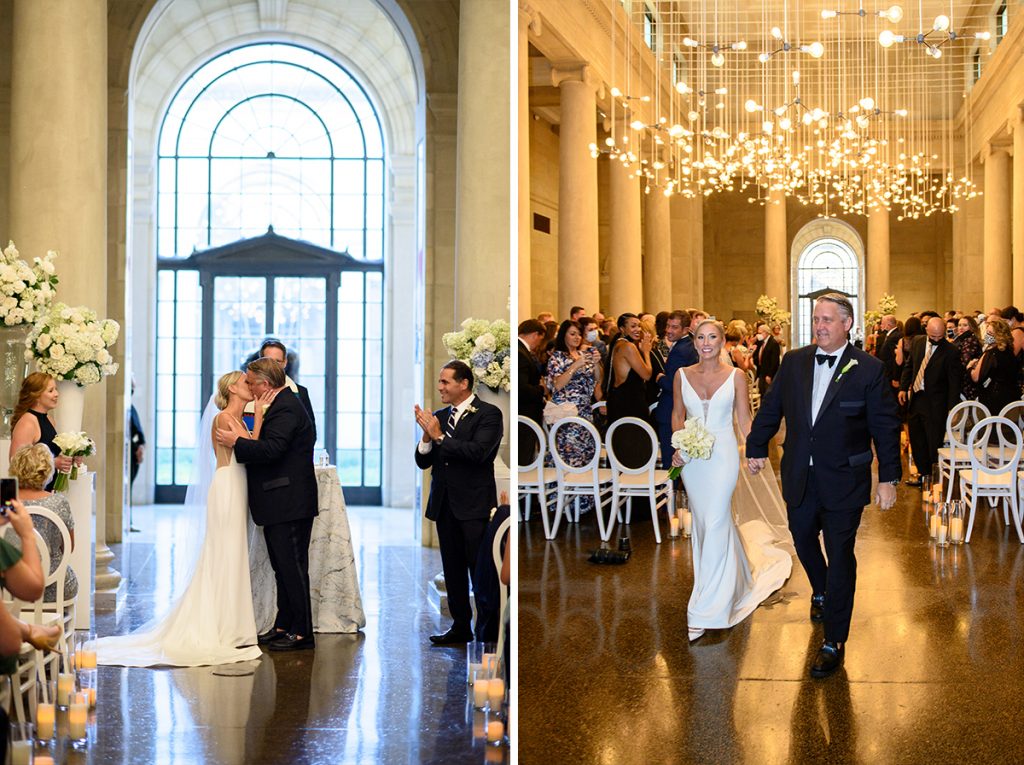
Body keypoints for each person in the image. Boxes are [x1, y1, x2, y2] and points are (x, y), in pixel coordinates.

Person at [747, 293, 901, 678]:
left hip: (845, 478)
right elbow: (772, 407)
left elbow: (885, 426)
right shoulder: (794, 361)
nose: (820, 326)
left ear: (847, 324)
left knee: (841, 554)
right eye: (816, 319)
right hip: (800, 472)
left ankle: (834, 639)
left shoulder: (869, 369)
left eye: (828, 319)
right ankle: (820, 588)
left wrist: (888, 478)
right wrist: (756, 446)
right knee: (801, 539)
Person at [97, 371, 269, 666]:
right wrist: (262, 416)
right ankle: (220, 625)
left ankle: (232, 624)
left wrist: (258, 417)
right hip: (227, 487)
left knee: (234, 554)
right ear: (232, 388)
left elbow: (252, 445)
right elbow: (249, 450)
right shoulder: (224, 418)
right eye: (245, 383)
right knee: (224, 553)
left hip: (238, 488)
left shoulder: (240, 420)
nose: (250, 386)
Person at [671, 319, 792, 644]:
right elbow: (678, 415)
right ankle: (731, 581)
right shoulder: (681, 375)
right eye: (700, 337)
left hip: (723, 456)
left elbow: (744, 419)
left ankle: (707, 607)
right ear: (694, 342)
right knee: (705, 524)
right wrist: (678, 445)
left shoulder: (736, 376)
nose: (706, 343)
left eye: (712, 337)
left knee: (715, 520)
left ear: (722, 341)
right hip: (693, 461)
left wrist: (754, 451)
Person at [218, 359, 319, 652]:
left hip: (288, 500)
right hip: (280, 500)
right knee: (281, 568)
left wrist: (236, 441)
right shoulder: (278, 404)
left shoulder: (286, 407)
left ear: (264, 383)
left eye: (251, 382)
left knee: (293, 568)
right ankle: (283, 624)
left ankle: (302, 633)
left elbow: (272, 450)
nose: (249, 387)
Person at [415, 360, 502, 645]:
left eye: (445, 382)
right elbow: (423, 461)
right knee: (452, 571)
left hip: (474, 505)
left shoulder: (489, 414)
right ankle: (460, 627)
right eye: (440, 381)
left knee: (480, 570)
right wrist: (426, 437)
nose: (440, 387)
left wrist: (439, 436)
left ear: (463, 384)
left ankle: (488, 632)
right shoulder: (440, 416)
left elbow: (478, 453)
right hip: (445, 505)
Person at [5, 444, 78, 603]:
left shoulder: (7, 501)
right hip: (56, 585)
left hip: (12, 587)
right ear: (47, 470)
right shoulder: (59, 502)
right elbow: (68, 547)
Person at [898, 317, 962, 486]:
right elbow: (909, 366)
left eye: (940, 336)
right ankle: (923, 474)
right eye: (933, 336)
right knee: (917, 438)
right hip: (917, 398)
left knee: (933, 440)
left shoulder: (951, 351)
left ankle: (933, 479)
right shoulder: (918, 342)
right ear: (926, 330)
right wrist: (903, 388)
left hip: (936, 403)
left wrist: (952, 408)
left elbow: (955, 382)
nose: (936, 340)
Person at [546, 320, 601, 479]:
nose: (577, 337)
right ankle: (564, 489)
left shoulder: (583, 354)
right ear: (564, 335)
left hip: (584, 410)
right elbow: (557, 385)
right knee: (569, 452)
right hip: (566, 412)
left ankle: (584, 491)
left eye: (579, 334)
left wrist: (597, 364)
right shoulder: (557, 357)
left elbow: (598, 380)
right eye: (572, 334)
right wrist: (575, 366)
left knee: (587, 452)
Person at [9, 372, 74, 489]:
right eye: (51, 391)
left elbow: (52, 453)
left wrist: (71, 458)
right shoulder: (27, 423)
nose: (57, 394)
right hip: (31, 492)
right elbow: (16, 462)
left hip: (47, 490)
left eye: (56, 389)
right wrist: (53, 463)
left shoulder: (50, 420)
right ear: (36, 396)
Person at [246, 339, 316, 439]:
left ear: (285, 363)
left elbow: (309, 433)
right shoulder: (248, 391)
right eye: (268, 361)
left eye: (277, 361)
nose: (273, 366)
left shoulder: (300, 393)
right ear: (260, 361)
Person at [655, 310, 695, 469]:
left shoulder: (680, 350)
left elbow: (674, 384)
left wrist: (660, 378)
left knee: (671, 459)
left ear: (685, 329)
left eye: (674, 327)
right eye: (668, 326)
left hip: (671, 409)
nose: (669, 331)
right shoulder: (688, 345)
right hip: (680, 408)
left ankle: (672, 484)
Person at [605, 313, 653, 426]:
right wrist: (646, 352)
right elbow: (647, 375)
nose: (638, 329)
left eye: (639, 326)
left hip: (620, 400)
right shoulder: (628, 346)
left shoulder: (618, 344)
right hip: (629, 403)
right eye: (633, 326)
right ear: (622, 329)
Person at [969, 317, 1019, 416]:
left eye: (990, 333)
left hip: (993, 400)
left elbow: (976, 377)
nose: (986, 335)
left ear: (999, 336)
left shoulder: (990, 354)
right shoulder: (1010, 352)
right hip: (1011, 400)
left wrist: (969, 368)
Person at [517, 319, 547, 466]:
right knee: (524, 456)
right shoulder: (520, 353)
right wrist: (541, 389)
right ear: (536, 335)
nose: (539, 344)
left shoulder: (520, 350)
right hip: (525, 413)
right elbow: (522, 388)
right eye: (541, 339)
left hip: (525, 413)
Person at [953, 314, 983, 401]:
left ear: (972, 327)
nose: (961, 328)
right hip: (963, 377)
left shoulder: (970, 339)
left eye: (965, 325)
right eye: (959, 325)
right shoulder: (961, 338)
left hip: (966, 379)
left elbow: (964, 360)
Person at [754, 323, 780, 394]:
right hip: (761, 372)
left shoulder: (773, 343)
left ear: (766, 332)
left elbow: (775, 361)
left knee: (768, 393)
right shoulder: (761, 342)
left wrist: (770, 375)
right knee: (762, 392)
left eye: (760, 333)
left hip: (768, 374)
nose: (758, 335)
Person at [129, 378, 146, 487]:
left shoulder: (132, 409)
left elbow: (136, 434)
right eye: (132, 387)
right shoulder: (128, 409)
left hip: (134, 452)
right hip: (131, 453)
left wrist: (140, 446)